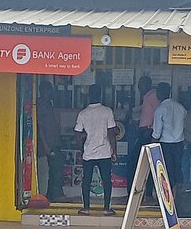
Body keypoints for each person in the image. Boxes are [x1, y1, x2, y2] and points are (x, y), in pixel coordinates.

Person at [74, 83, 118, 216]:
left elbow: (77, 134)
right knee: (106, 181)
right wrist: (114, 151)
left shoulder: (83, 113)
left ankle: (86, 208)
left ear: (88, 96)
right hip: (104, 152)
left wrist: (81, 149)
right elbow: (111, 132)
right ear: (100, 95)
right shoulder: (107, 111)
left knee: (86, 180)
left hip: (89, 153)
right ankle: (106, 208)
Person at [152, 82, 187, 187]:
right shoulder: (180, 107)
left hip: (166, 144)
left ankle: (170, 196)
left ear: (159, 93)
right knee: (177, 169)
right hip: (179, 143)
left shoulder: (160, 110)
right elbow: (184, 117)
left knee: (167, 171)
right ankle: (179, 195)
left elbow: (157, 133)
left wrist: (152, 144)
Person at [128, 76, 159, 195]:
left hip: (148, 134)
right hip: (144, 132)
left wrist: (150, 128)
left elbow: (158, 114)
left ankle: (136, 193)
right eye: (139, 85)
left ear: (148, 84)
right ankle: (144, 193)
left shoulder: (153, 97)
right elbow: (147, 113)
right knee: (146, 164)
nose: (139, 87)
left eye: (142, 85)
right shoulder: (147, 98)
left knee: (135, 163)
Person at [37, 80, 66, 202]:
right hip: (47, 144)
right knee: (54, 170)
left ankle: (50, 196)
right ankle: (53, 195)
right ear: (45, 91)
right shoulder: (40, 105)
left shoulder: (50, 104)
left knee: (55, 169)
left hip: (54, 142)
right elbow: (40, 127)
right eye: (49, 91)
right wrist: (45, 146)